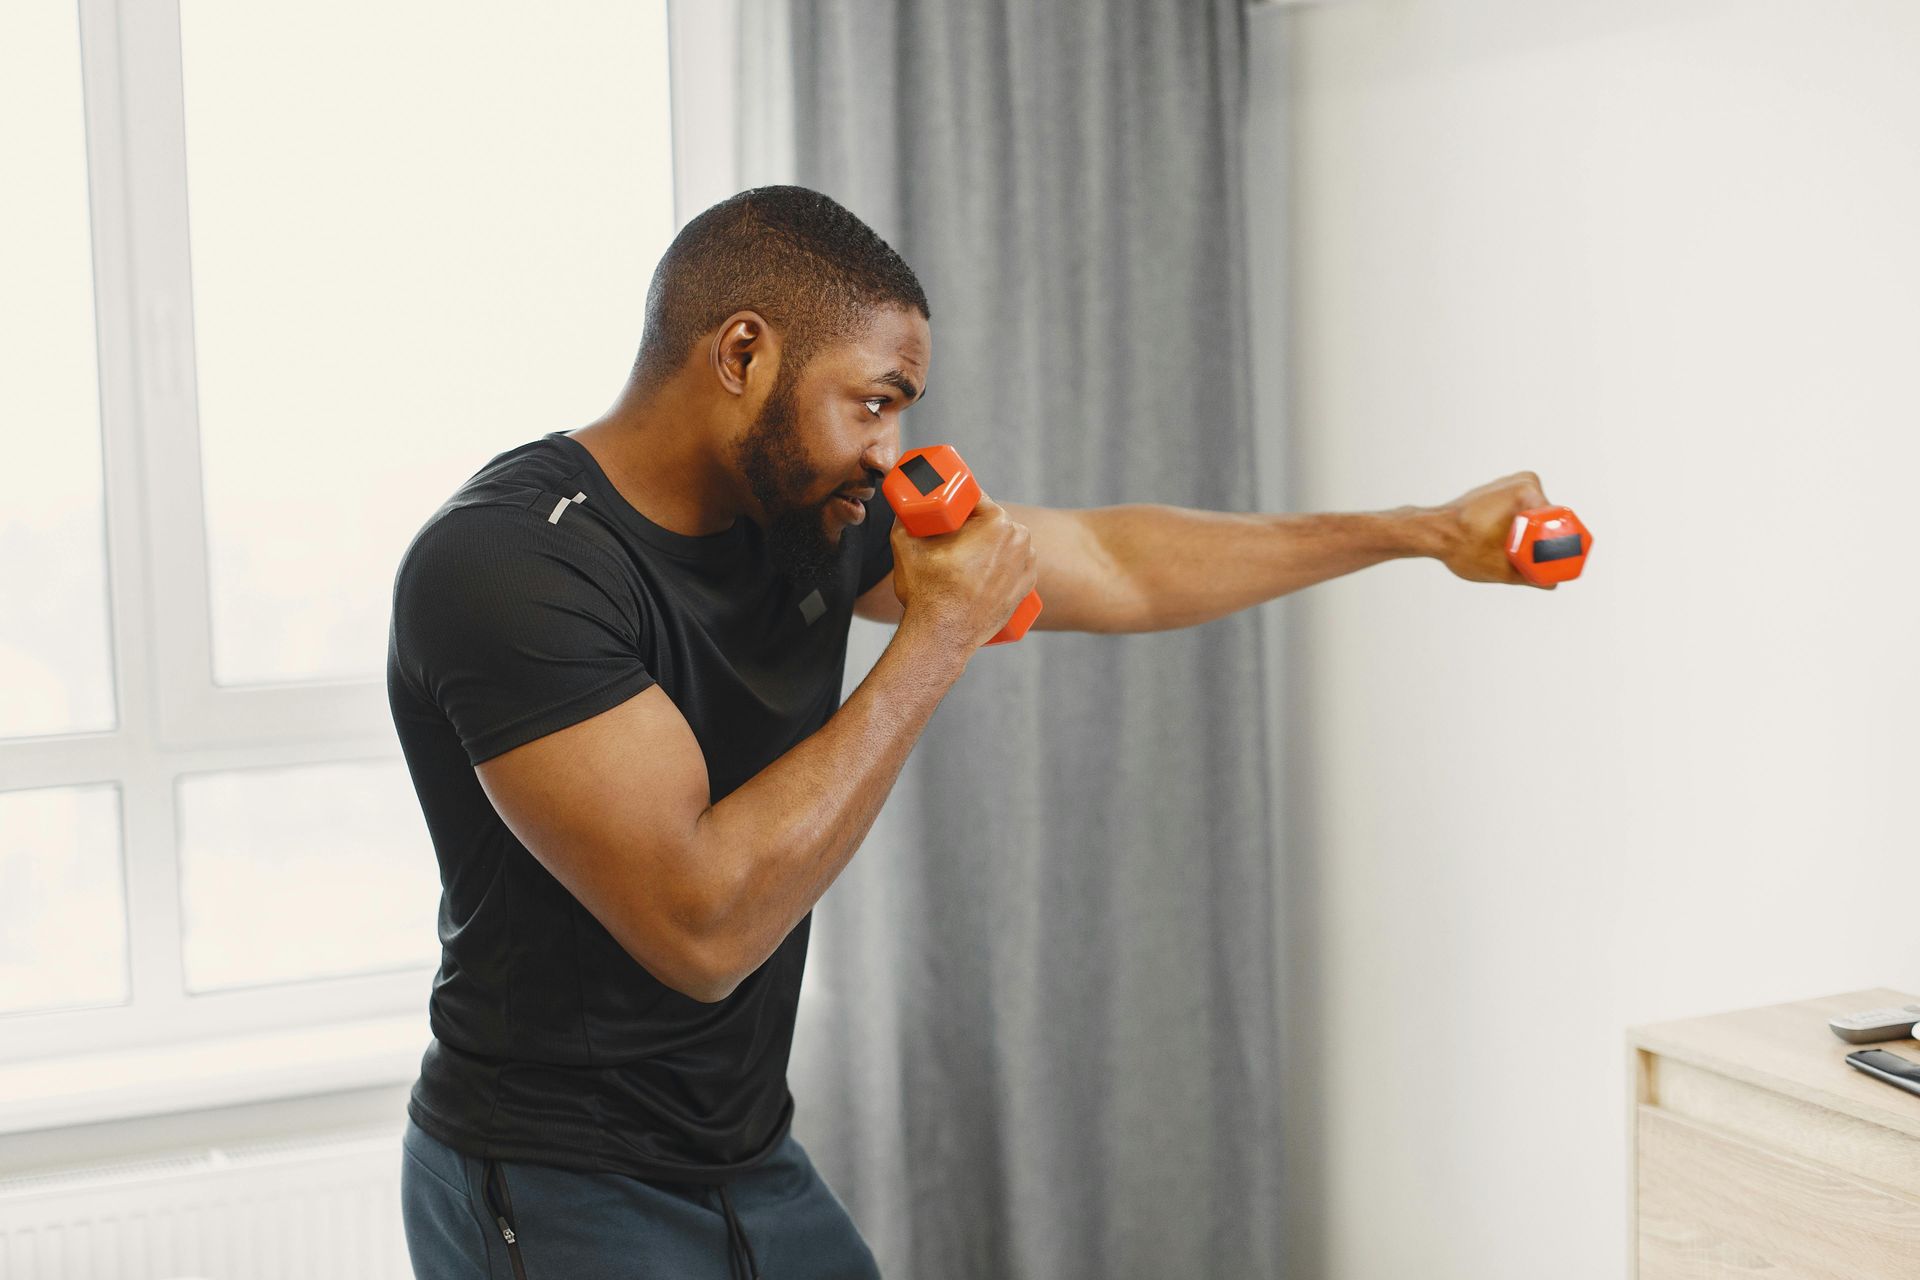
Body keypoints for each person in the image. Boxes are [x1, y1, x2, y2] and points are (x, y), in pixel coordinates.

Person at [390, 184, 1554, 1279]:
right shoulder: (509, 565)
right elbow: (705, 924)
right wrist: (936, 636)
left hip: (743, 1149)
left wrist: (1424, 531)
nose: (891, 449)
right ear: (743, 354)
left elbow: (1117, 561)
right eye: (876, 398)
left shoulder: (800, 510)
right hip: (550, 1172)